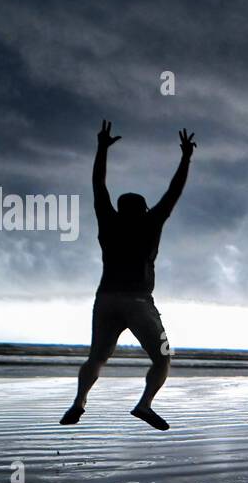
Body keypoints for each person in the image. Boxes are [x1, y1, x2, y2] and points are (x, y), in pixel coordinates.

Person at [61, 121, 195, 431]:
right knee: (163, 357)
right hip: (137, 300)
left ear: (120, 209)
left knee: (97, 358)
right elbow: (174, 191)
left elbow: (99, 186)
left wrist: (101, 149)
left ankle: (80, 400)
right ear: (145, 209)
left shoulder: (108, 221)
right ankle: (145, 404)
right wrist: (186, 157)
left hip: (105, 299)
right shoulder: (151, 223)